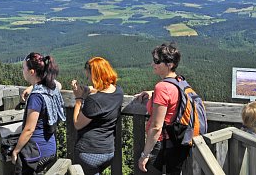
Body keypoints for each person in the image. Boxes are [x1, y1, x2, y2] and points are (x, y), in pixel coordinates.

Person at [135, 42, 190, 175]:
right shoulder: (179, 81)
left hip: (161, 146)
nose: (152, 64)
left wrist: (145, 154)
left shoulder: (162, 87)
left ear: (169, 65)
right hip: (176, 143)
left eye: (156, 61)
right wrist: (152, 94)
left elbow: (156, 127)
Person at [11, 52, 66, 174]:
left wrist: (16, 151)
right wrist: (32, 87)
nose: (22, 70)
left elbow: (29, 130)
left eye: (23, 68)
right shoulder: (50, 87)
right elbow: (58, 84)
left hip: (36, 152)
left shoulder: (36, 97)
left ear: (31, 72)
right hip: (50, 149)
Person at [71, 57, 124, 175]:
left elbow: (77, 124)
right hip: (108, 151)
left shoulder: (94, 101)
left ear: (95, 76)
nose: (89, 79)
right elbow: (101, 90)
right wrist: (87, 89)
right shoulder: (118, 91)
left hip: (89, 152)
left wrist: (78, 98)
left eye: (89, 76)